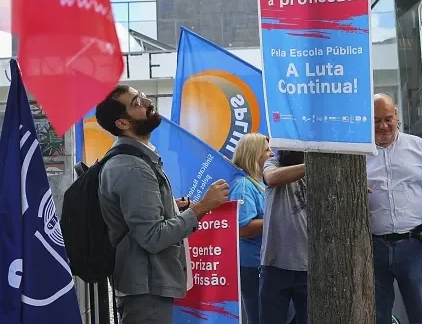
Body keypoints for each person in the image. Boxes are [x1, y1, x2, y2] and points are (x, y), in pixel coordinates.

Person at [96, 85, 230, 324]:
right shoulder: (133, 167)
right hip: (146, 290)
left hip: (147, 286)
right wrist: (201, 208)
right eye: (137, 102)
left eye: (143, 95)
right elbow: (152, 237)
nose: (147, 102)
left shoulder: (137, 159)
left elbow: (141, 222)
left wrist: (171, 208)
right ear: (122, 124)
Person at [368, 93, 422, 324]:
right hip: (371, 248)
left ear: (397, 116)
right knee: (377, 315)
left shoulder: (418, 147)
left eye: (388, 118)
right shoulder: (358, 154)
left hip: (414, 244)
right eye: (376, 120)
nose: (383, 126)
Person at [260, 149, 307, 324]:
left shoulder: (319, 168)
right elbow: (272, 178)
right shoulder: (273, 163)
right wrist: (312, 165)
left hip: (310, 267)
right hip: (275, 265)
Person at [230, 133, 273, 324]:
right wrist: (278, 220)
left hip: (265, 262)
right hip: (252, 265)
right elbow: (242, 228)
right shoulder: (243, 185)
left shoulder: (262, 182)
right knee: (258, 317)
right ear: (254, 154)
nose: (272, 154)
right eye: (266, 150)